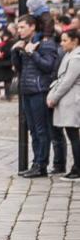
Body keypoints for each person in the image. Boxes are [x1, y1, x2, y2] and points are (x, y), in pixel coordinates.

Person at [13, 15, 61, 178]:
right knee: (33, 130)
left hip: (39, 91)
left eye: (22, 27)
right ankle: (35, 163)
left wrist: (32, 52)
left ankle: (41, 165)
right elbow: (20, 68)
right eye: (18, 28)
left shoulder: (45, 44)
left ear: (32, 27)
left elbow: (48, 67)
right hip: (27, 90)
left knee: (42, 130)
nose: (19, 30)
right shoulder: (26, 44)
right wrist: (16, 51)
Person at [49, 29, 80, 181]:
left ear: (74, 41)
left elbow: (67, 81)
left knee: (73, 135)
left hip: (72, 100)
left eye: (65, 40)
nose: (61, 43)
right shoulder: (70, 55)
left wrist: (54, 97)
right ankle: (76, 167)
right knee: (72, 134)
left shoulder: (76, 57)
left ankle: (78, 168)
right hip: (69, 99)